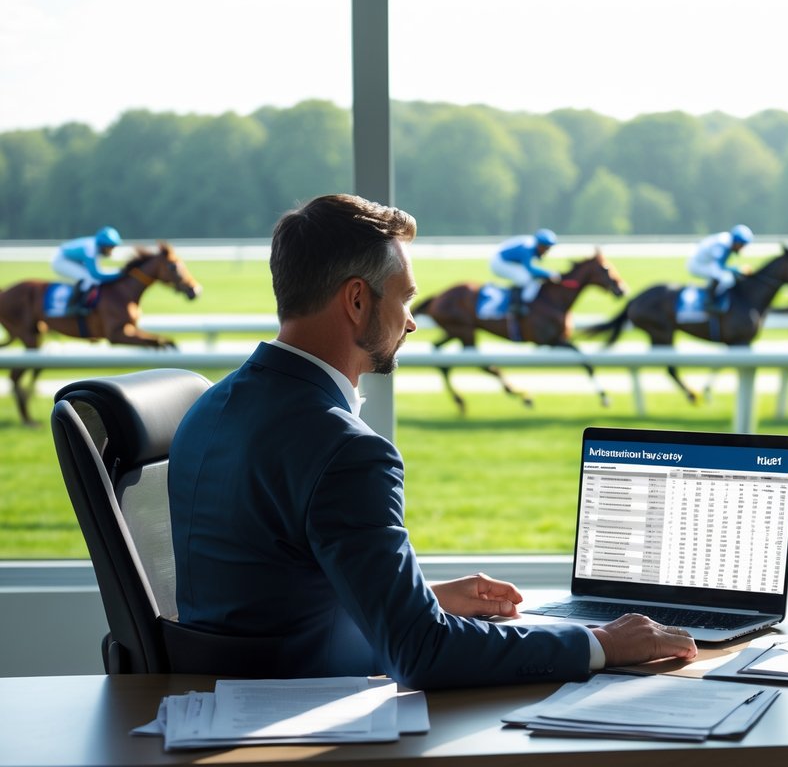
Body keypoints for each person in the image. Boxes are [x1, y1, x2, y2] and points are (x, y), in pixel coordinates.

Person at [168, 194, 696, 689]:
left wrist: (424, 598)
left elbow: (269, 593)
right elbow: (422, 653)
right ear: (356, 300)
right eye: (405, 298)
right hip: (307, 716)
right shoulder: (347, 450)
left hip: (211, 703)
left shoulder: (208, 407)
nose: (414, 322)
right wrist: (599, 642)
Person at [51, 226, 122, 313]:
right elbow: (96, 274)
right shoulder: (91, 249)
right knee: (87, 279)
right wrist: (119, 274)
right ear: (103, 245)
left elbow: (98, 271)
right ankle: (72, 306)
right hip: (61, 260)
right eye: (110, 247)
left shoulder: (96, 246)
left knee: (90, 278)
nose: (111, 250)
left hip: (71, 259)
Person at [490, 228, 558, 318]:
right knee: (523, 278)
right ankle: (516, 306)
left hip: (509, 260)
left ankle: (524, 301)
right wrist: (549, 274)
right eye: (545, 248)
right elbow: (530, 269)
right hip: (499, 262)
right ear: (539, 244)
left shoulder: (533, 244)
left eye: (548, 249)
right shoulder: (527, 248)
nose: (546, 251)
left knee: (531, 279)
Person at [688, 224, 753, 312]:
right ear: (736, 241)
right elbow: (719, 266)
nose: (741, 248)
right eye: (741, 245)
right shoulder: (722, 244)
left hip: (706, 262)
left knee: (725, 276)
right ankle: (709, 302)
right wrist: (738, 270)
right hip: (697, 264)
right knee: (726, 278)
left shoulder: (729, 241)